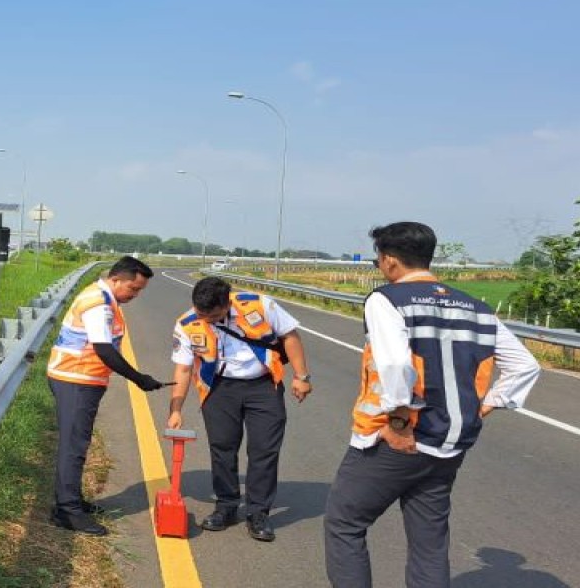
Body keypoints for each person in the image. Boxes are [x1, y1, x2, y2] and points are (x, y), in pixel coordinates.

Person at [324, 222, 541, 588]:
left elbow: (394, 365)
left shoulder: (387, 299)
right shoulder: (476, 307)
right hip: (450, 443)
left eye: (379, 258)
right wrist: (486, 405)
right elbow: (525, 365)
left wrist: (399, 424)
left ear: (390, 259)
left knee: (345, 524)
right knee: (429, 542)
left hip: (400, 439)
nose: (380, 265)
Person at [167, 275, 312, 542]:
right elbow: (184, 368)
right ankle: (226, 506)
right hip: (219, 389)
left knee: (264, 450)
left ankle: (258, 512)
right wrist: (175, 408)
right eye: (202, 314)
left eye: (212, 316)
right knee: (222, 448)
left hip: (264, 385)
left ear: (226, 304)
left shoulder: (259, 306)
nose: (206, 320)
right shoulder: (187, 323)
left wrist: (302, 377)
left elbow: (290, 336)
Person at [47, 255, 164, 536]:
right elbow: (104, 349)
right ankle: (67, 511)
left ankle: (70, 501)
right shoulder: (99, 303)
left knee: (77, 443)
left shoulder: (104, 298)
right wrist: (139, 379)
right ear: (116, 279)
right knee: (74, 447)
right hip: (75, 378)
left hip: (80, 377)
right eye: (133, 289)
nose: (134, 295)